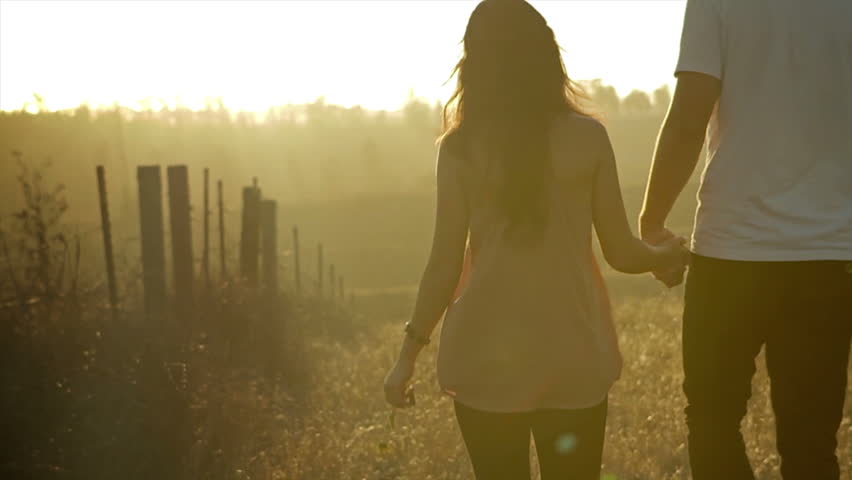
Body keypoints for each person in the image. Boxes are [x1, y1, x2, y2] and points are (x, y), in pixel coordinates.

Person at [383, 1, 689, 478]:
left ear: (476, 63)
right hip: (572, 355)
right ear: (547, 56)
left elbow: (444, 265)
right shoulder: (588, 139)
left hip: (487, 359)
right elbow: (621, 251)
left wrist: (407, 357)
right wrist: (667, 256)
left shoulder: (461, 149)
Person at [640, 0, 852, 479]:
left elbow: (690, 113)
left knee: (713, 422)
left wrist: (652, 221)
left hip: (731, 251)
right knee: (812, 443)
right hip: (829, 254)